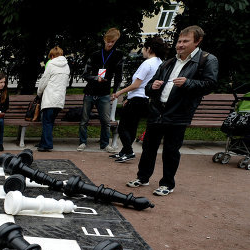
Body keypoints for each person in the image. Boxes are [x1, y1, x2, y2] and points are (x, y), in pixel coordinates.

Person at [126, 25, 218, 196]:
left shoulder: (207, 60)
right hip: (157, 110)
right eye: (179, 41)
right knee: (148, 147)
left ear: (197, 41)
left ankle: (167, 183)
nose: (180, 45)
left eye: (185, 41)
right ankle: (143, 177)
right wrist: (152, 86)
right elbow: (148, 87)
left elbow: (210, 84)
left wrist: (188, 83)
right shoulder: (168, 62)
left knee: (171, 150)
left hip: (179, 113)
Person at [109, 36, 168, 162]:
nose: (142, 51)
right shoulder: (160, 63)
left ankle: (128, 151)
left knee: (123, 127)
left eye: (144, 48)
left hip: (138, 98)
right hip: (146, 99)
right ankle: (124, 151)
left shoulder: (147, 63)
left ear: (149, 49)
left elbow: (136, 84)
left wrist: (119, 93)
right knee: (132, 126)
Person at [77, 28, 124, 152]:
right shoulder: (95, 54)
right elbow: (85, 74)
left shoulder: (118, 55)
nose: (109, 44)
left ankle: (104, 144)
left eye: (112, 42)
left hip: (104, 93)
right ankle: (82, 142)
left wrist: (115, 91)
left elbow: (119, 75)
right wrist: (95, 78)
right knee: (84, 120)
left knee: (105, 121)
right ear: (104, 40)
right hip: (90, 92)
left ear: (116, 41)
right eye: (108, 41)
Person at [36, 47, 70, 152]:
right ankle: (43, 142)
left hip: (50, 98)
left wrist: (39, 93)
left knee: (46, 122)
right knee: (50, 121)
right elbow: (67, 83)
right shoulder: (66, 66)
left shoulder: (50, 64)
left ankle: (47, 144)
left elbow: (44, 81)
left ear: (52, 56)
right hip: (59, 100)